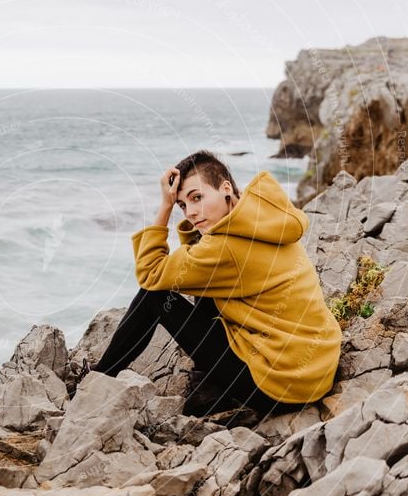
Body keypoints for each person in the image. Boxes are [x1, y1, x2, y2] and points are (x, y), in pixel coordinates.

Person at [71, 150, 343, 418]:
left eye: (197, 198)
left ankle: (98, 378)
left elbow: (151, 274)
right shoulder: (262, 218)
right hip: (314, 370)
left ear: (225, 188)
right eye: (182, 205)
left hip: (280, 388)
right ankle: (210, 385)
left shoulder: (225, 248)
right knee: (202, 285)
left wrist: (164, 207)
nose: (190, 212)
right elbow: (199, 269)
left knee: (152, 297)